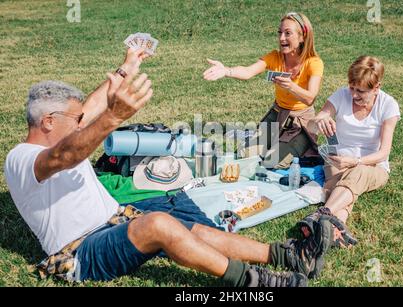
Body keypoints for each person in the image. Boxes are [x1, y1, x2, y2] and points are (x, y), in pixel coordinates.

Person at [4, 48, 332, 286]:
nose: (81, 123)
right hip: (79, 251)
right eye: (74, 121)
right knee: (159, 224)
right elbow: (64, 157)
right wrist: (114, 117)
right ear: (48, 121)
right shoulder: (21, 158)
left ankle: (289, 256)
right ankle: (253, 281)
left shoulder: (59, 133)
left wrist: (126, 67)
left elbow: (89, 109)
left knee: (188, 226)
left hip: (113, 220)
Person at [300, 56, 401, 248]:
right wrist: (319, 121)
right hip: (337, 160)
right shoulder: (341, 95)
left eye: (361, 91)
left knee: (356, 173)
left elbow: (384, 152)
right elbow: (312, 127)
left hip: (371, 165)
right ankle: (336, 231)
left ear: (376, 87)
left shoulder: (388, 105)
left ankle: (322, 213)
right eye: (352, 88)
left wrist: (355, 161)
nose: (354, 95)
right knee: (347, 187)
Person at [203, 12, 324, 169]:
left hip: (300, 123)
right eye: (280, 33)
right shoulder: (275, 57)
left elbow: (310, 98)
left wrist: (290, 86)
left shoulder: (314, 63)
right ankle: (273, 139)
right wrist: (226, 70)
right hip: (277, 115)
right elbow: (248, 71)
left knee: (272, 162)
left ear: (302, 37)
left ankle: (303, 144)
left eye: (288, 33)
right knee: (245, 155)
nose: (281, 38)